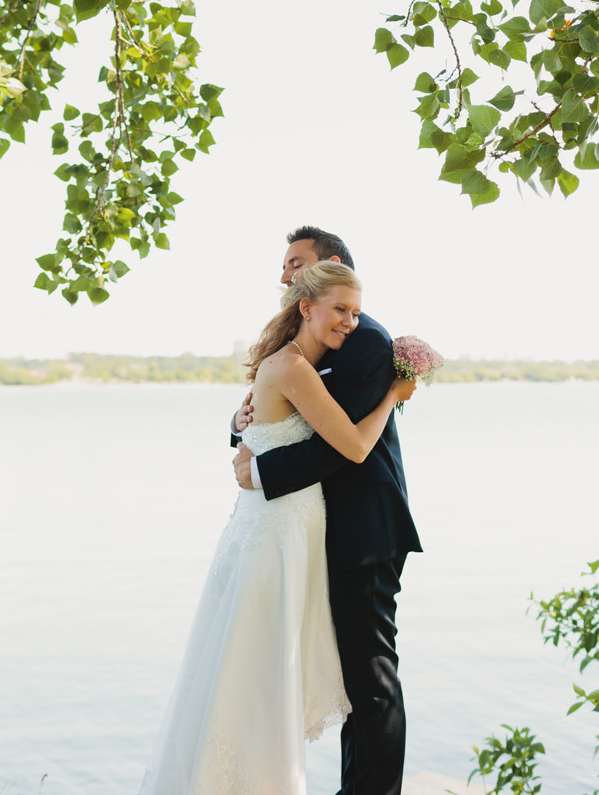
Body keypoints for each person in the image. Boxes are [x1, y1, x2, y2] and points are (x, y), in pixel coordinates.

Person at [140, 261, 415, 795]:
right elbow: (355, 446)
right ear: (306, 308)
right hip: (279, 533)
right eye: (340, 311)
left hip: (280, 527)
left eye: (355, 312)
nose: (351, 324)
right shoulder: (294, 367)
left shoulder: (309, 358)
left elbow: (272, 427)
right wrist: (393, 397)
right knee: (262, 666)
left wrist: (246, 432)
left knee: (254, 663)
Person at [233, 226, 422, 795]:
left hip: (366, 529)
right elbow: (272, 408)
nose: (284, 275)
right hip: (318, 527)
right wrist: (242, 428)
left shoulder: (364, 341)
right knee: (350, 677)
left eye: (295, 263)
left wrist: (262, 472)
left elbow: (338, 447)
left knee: (370, 674)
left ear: (330, 265)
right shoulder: (301, 342)